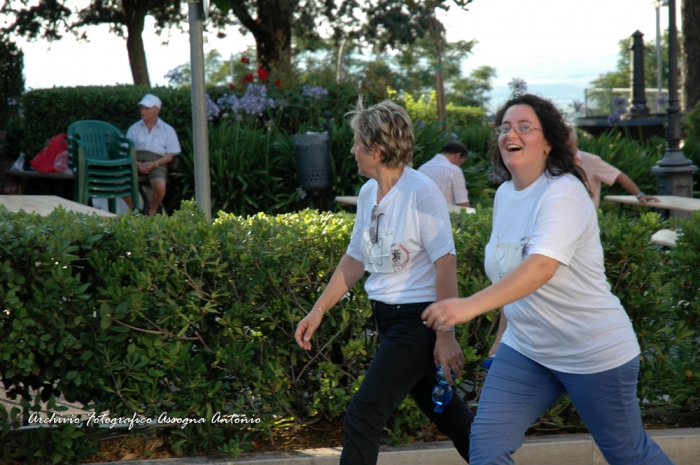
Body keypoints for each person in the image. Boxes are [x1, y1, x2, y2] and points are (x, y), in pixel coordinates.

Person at [422, 94, 674, 465]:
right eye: (506, 127)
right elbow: (513, 277)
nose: (512, 133)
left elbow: (540, 268)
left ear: (549, 142)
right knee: (487, 449)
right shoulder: (506, 195)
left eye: (525, 126)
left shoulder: (565, 193)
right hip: (527, 350)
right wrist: (499, 341)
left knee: (627, 454)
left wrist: (467, 306)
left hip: (592, 350)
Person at [294, 98, 474, 465]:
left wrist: (445, 335)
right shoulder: (367, 194)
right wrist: (318, 311)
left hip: (417, 323)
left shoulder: (421, 191)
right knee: (452, 418)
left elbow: (446, 263)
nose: (352, 149)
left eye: (357, 143)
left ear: (375, 150)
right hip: (389, 321)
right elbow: (355, 259)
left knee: (363, 415)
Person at [569, 127, 659, 208]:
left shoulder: (591, 161)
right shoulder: (556, 161)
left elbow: (618, 176)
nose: (565, 149)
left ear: (576, 141)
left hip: (584, 217)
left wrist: (639, 195)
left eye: (568, 145)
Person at [126, 94, 181, 215]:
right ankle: (133, 210)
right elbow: (126, 152)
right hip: (135, 159)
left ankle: (152, 211)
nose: (143, 112)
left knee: (160, 185)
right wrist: (135, 163)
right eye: (142, 108)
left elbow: (169, 156)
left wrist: (154, 164)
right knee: (120, 181)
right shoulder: (134, 128)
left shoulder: (167, 130)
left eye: (147, 108)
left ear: (157, 110)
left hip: (158, 162)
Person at [417, 141, 471, 207]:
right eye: (461, 163)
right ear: (458, 156)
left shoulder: (422, 168)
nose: (459, 166)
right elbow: (463, 204)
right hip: (443, 215)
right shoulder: (454, 170)